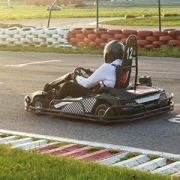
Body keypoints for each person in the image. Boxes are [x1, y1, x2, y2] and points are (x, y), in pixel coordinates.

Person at [55, 40, 125, 99]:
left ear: (110, 54)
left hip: (98, 97)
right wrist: (92, 74)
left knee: (68, 85)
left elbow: (86, 84)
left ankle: (51, 103)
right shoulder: (123, 65)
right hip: (113, 93)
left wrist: (75, 77)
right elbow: (107, 77)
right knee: (96, 84)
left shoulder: (107, 67)